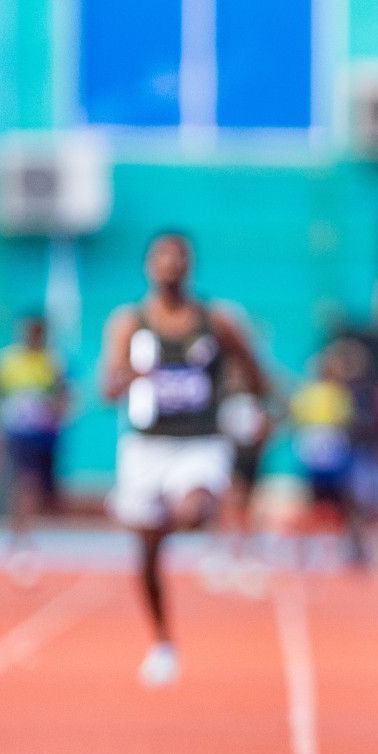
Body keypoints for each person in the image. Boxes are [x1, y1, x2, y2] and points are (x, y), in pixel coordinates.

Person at [100, 232, 269, 687]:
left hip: (200, 442)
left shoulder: (216, 321)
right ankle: (162, 641)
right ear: (149, 265)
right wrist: (129, 375)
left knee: (191, 509)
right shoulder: (129, 323)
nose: (170, 264)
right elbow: (106, 390)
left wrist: (256, 407)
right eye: (162, 256)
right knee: (147, 553)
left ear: (190, 265)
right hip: (146, 446)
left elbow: (258, 375)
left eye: (179, 256)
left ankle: (195, 516)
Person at [0, 314, 70, 576]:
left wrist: (55, 412)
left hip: (45, 434)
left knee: (42, 490)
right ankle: (19, 537)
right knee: (25, 483)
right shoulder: (8, 360)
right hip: (18, 432)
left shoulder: (52, 360)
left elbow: (63, 394)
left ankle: (26, 532)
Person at [290, 341, 367, 571]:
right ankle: (302, 554)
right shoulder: (310, 394)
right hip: (316, 459)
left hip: (335, 458)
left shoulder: (339, 393)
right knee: (311, 504)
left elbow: (348, 422)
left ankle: (356, 550)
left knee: (346, 503)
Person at [206, 358, 275, 594]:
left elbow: (273, 419)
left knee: (247, 505)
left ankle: (248, 554)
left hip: (250, 455)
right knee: (225, 503)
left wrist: (263, 436)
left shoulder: (257, 396)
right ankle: (220, 553)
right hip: (227, 454)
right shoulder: (221, 395)